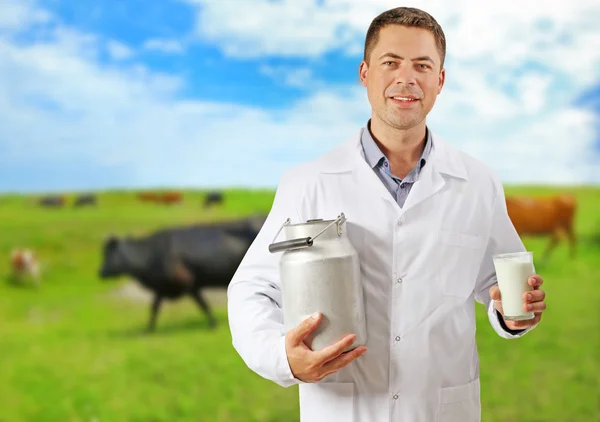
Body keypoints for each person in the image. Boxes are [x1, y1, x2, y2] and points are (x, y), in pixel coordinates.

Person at [227, 6, 547, 422]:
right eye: (390, 63)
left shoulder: (478, 183)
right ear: (365, 73)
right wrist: (281, 357)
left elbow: (498, 286)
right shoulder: (308, 182)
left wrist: (512, 314)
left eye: (422, 65)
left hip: (440, 410)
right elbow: (251, 289)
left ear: (440, 80)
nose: (406, 78)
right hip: (342, 409)